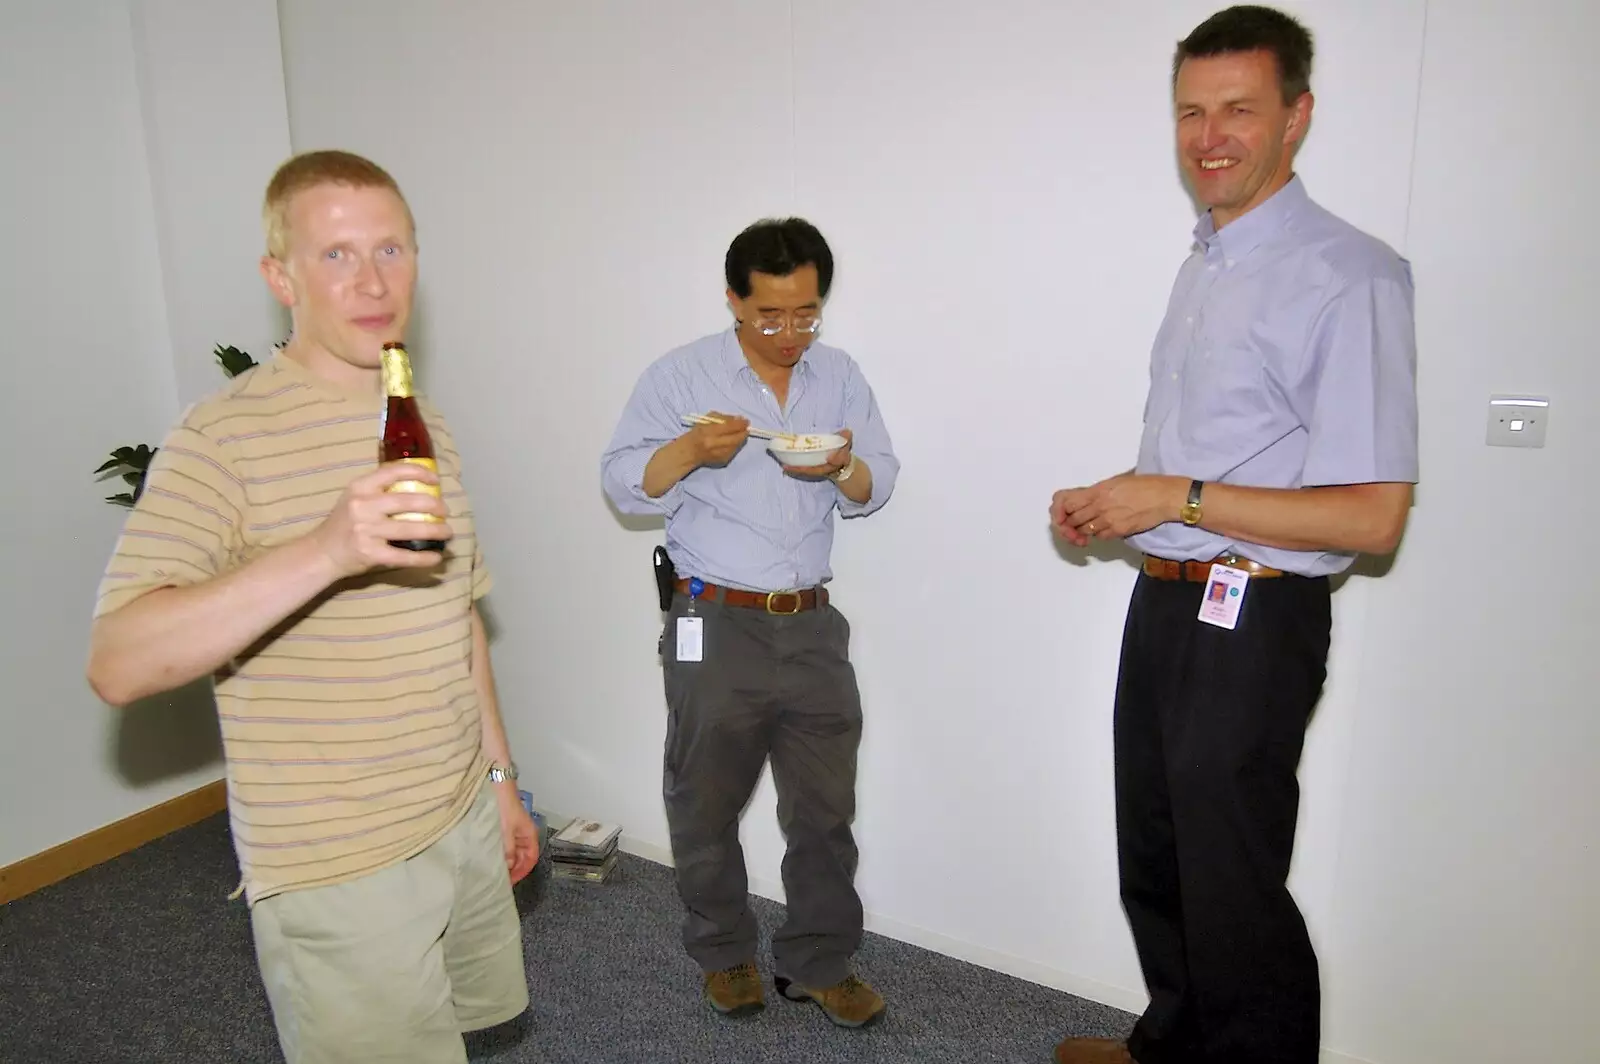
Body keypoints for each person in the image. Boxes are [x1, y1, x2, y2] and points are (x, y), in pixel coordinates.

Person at [86, 149, 539, 1064]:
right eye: (335, 256)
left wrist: (498, 783)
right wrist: (326, 550)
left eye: (390, 250)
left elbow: (456, 621)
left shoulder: (425, 423)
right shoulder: (221, 437)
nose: (371, 283)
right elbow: (118, 663)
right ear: (279, 275)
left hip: (453, 813)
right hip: (339, 859)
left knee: (466, 1034)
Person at [1048, 7, 1418, 1064]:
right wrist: (1126, 502)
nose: (1209, 135)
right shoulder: (1209, 259)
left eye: (1238, 111)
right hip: (1170, 595)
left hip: (1254, 614)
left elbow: (1370, 514)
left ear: (1296, 116)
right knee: (1156, 853)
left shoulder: (1350, 274)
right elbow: (1218, 464)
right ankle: (1171, 1043)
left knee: (1232, 883)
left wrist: (1175, 495)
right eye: (1190, 112)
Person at [600, 218, 899, 1029]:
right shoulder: (681, 375)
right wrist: (693, 450)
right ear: (733, 299)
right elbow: (626, 484)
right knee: (703, 801)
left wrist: (840, 464)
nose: (789, 333)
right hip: (713, 617)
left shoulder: (838, 376)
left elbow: (878, 482)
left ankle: (819, 961)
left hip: (811, 624)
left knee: (825, 811)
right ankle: (725, 953)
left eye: (806, 313)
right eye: (770, 315)